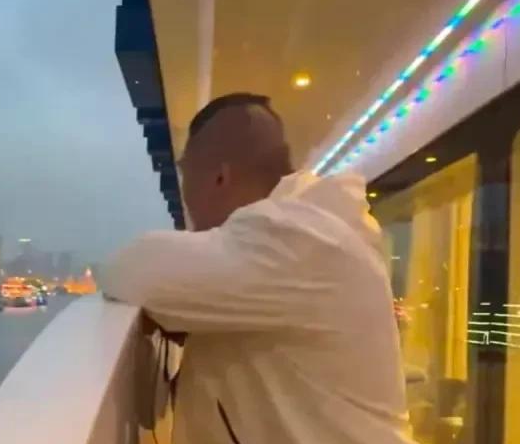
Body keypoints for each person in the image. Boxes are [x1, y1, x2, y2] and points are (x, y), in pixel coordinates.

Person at [104, 93, 412, 443]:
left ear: (219, 178)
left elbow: (133, 269)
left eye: (185, 174)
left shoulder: (295, 237)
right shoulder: (313, 234)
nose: (186, 202)